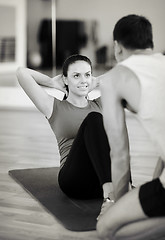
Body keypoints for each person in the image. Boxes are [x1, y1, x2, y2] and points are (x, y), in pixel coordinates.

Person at [96, 14, 165, 239]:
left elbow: (119, 156)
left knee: (107, 229)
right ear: (150, 44)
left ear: (117, 47)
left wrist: (117, 202)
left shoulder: (113, 79)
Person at [16, 54, 114, 202]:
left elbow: (123, 76)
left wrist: (96, 81)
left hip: (98, 180)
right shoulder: (54, 107)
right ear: (65, 79)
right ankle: (111, 193)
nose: (83, 80)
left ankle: (119, 187)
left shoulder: (99, 104)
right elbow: (22, 73)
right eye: (76, 76)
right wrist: (51, 82)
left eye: (87, 75)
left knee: (113, 132)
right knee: (94, 119)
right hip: (74, 181)